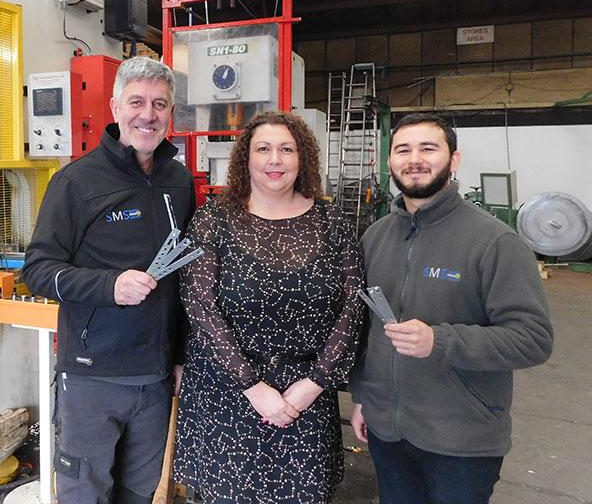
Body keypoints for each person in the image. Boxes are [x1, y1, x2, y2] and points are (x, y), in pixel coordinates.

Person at [349, 113, 553, 504]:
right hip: (388, 432)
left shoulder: (494, 242)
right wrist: (363, 397)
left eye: (429, 148)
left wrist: (439, 340)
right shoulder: (375, 238)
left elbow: (533, 339)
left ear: (453, 160)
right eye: (403, 149)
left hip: (461, 440)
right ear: (389, 162)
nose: (415, 159)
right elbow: (366, 330)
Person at [22, 56, 195, 504]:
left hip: (154, 378)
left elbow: (182, 283)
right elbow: (38, 271)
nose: (148, 114)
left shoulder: (178, 180)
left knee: (140, 492)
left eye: (160, 104)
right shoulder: (75, 182)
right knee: (86, 494)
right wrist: (109, 286)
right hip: (92, 379)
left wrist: (178, 356)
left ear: (170, 113)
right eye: (137, 101)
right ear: (115, 107)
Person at [173, 111, 365, 503]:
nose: (275, 159)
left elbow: (353, 307)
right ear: (246, 159)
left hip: (305, 396)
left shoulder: (332, 222)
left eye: (286, 149)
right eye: (263, 148)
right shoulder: (213, 221)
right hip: (226, 395)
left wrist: (313, 385)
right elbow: (200, 307)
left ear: (302, 159)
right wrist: (253, 386)